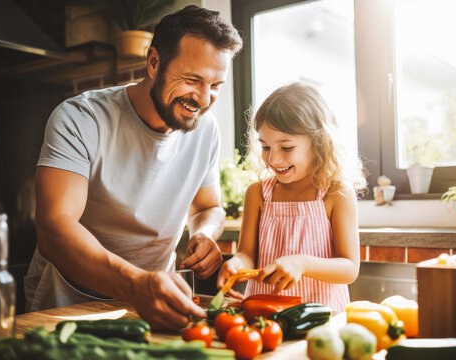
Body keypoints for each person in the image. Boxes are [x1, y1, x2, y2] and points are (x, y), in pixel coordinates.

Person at [24, 5, 243, 330]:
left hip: (153, 302)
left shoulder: (206, 130)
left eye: (216, 86)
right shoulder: (81, 118)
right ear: (154, 61)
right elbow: (54, 230)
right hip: (65, 305)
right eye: (192, 80)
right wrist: (136, 284)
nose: (203, 98)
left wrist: (205, 234)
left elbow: (208, 206)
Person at [216, 82, 366, 312]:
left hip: (320, 319)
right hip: (263, 317)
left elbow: (349, 269)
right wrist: (237, 264)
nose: (274, 159)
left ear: (319, 144)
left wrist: (303, 263)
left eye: (286, 148)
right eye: (265, 147)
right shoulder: (257, 194)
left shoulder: (337, 194)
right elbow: (247, 253)